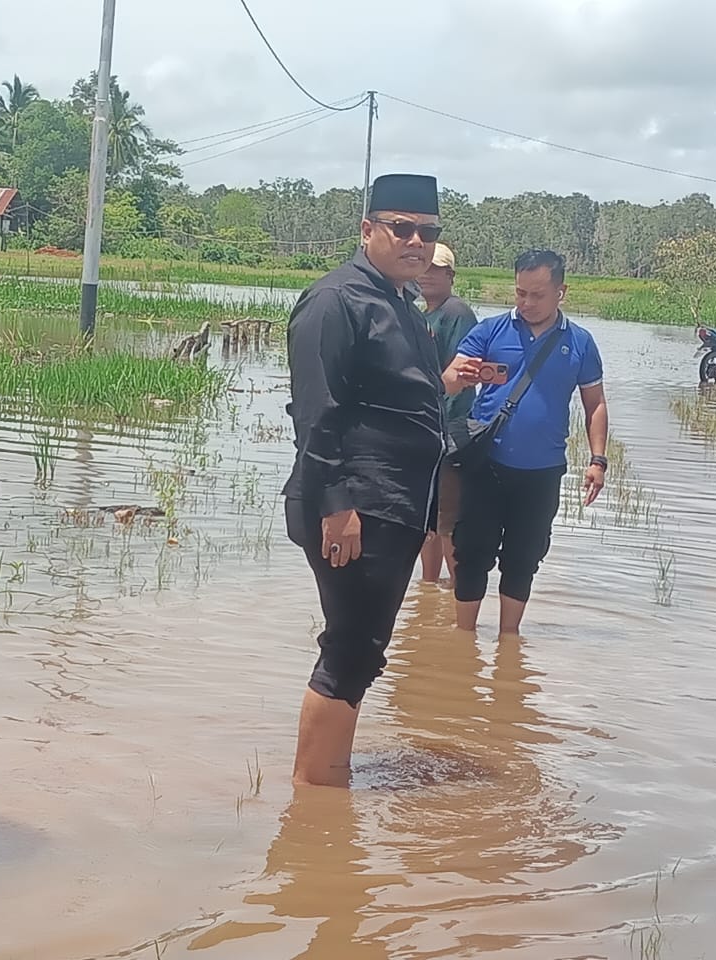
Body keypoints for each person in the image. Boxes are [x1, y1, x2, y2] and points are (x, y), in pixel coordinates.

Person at [282, 172, 446, 788]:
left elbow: (395, 398)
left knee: (363, 648)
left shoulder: (400, 303)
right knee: (351, 649)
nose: (415, 241)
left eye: (426, 232)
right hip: (354, 506)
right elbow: (316, 412)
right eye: (401, 228)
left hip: (396, 505)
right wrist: (336, 504)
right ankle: (316, 797)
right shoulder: (336, 301)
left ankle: (330, 779)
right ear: (368, 229)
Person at [442, 249, 608, 635]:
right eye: (520, 293)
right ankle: (464, 639)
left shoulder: (580, 343)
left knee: (524, 557)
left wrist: (598, 460)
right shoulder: (491, 330)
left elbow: (594, 403)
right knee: (472, 552)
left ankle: (508, 639)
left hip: (542, 471)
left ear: (560, 292)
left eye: (537, 295)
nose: (527, 303)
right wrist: (458, 376)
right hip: (486, 464)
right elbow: (448, 378)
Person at [417, 242, 478, 584]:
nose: (426, 274)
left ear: (450, 275)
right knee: (429, 521)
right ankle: (428, 589)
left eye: (435, 269)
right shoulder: (422, 313)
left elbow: (462, 375)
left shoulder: (456, 313)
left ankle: (459, 591)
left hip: (450, 427)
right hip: (427, 426)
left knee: (448, 521)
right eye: (423, 266)